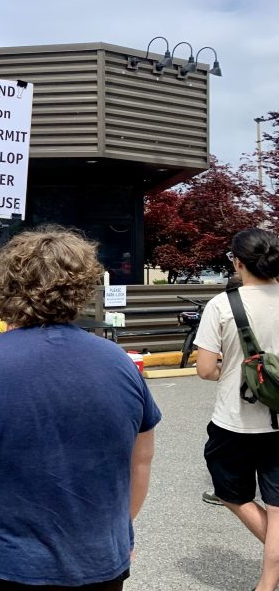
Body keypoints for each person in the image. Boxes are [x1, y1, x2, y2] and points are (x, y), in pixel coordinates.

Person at [0, 227, 160, 590]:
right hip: (101, 556)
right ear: (81, 286)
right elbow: (141, 459)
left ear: (5, 285)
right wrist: (118, 528)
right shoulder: (118, 362)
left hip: (7, 558)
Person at [195, 228, 279, 591]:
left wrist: (234, 373)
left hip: (234, 421)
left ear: (237, 262)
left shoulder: (221, 305)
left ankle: (267, 584)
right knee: (277, 508)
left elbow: (205, 369)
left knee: (231, 493)